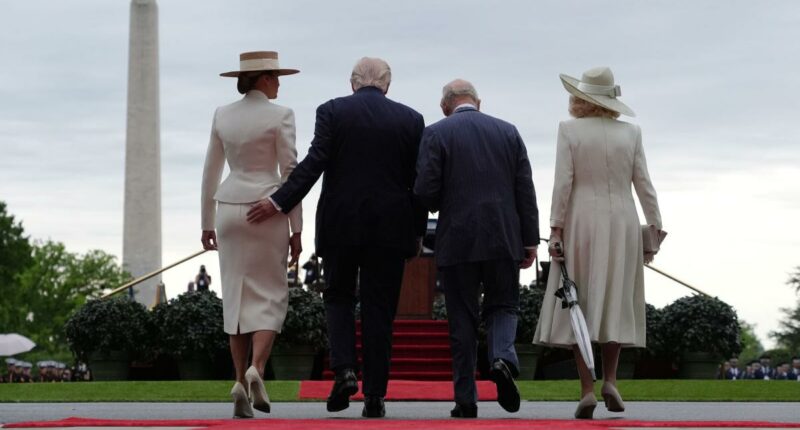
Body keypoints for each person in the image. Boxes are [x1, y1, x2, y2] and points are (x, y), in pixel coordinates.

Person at [251, 57, 426, 418]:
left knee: (338, 298)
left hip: (341, 225)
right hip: (391, 230)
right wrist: (417, 233)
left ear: (352, 83)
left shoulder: (331, 111)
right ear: (388, 86)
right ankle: (375, 396)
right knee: (380, 312)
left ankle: (345, 369)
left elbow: (314, 163)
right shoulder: (411, 120)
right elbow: (418, 184)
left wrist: (279, 202)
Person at [533, 67, 663, 419]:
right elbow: (645, 185)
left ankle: (587, 389)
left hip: (581, 223)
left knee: (580, 302)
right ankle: (611, 380)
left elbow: (563, 184)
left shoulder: (569, 131)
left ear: (580, 99)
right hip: (622, 222)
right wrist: (654, 230)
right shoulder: (631, 133)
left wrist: (555, 230)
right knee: (616, 300)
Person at [415, 79, 539, 418]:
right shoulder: (508, 132)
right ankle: (501, 358)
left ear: (445, 106)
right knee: (503, 305)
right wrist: (529, 240)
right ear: (478, 102)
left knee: (462, 319)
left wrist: (444, 202)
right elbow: (525, 191)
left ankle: (466, 400)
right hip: (503, 236)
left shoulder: (436, 133)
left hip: (458, 239)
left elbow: (425, 190)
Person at [200, 50, 303, 419]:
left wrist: (206, 223)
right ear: (262, 78)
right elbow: (291, 174)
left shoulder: (222, 115)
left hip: (227, 208)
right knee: (271, 294)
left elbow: (210, 171)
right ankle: (256, 368)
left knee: (236, 299)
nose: (278, 83)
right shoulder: (281, 115)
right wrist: (297, 228)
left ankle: (238, 383)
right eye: (275, 76)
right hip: (268, 209)